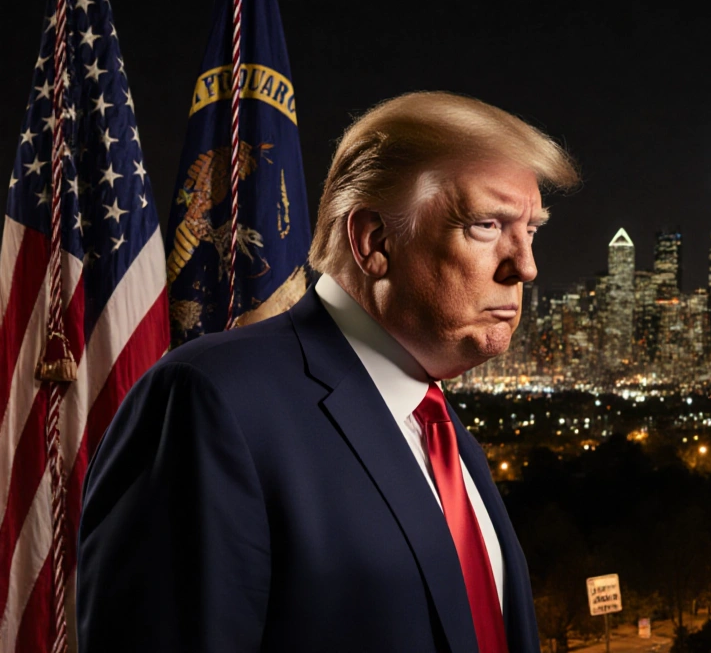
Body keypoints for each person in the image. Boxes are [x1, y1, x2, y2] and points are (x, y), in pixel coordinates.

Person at [77, 92, 579, 652]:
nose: (526, 267)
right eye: (487, 225)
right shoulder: (211, 401)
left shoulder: (439, 428)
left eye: (531, 230)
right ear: (374, 240)